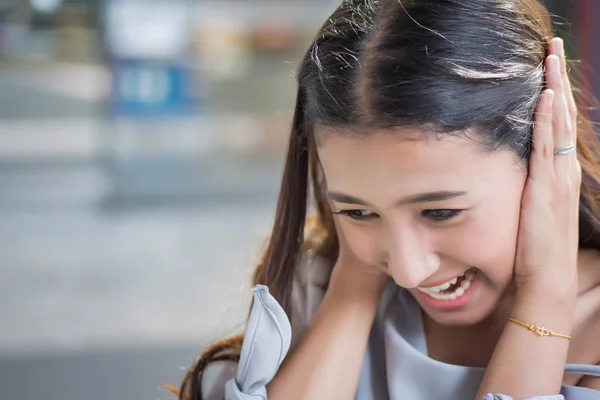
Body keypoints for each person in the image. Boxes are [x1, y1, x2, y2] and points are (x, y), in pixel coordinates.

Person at [175, 0, 600, 399]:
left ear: (543, 162)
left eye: (440, 212)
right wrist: (350, 292)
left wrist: (547, 296)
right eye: (359, 211)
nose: (406, 270)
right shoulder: (319, 288)